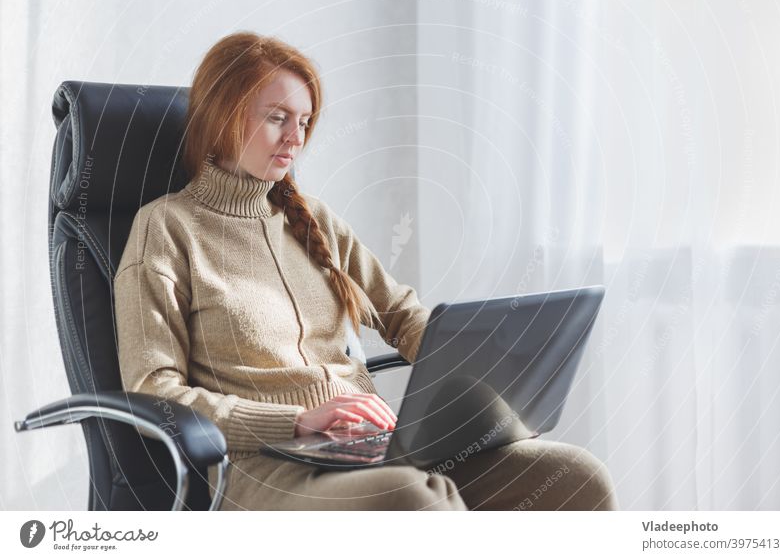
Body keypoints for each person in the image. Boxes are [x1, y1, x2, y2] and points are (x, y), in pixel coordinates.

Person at [113, 31, 618, 511]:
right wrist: (299, 420)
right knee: (415, 500)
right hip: (270, 470)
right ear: (223, 117)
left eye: (305, 121)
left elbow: (403, 315)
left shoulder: (312, 218)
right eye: (277, 117)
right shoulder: (166, 229)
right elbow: (151, 390)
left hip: (375, 447)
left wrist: (489, 394)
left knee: (576, 478)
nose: (296, 137)